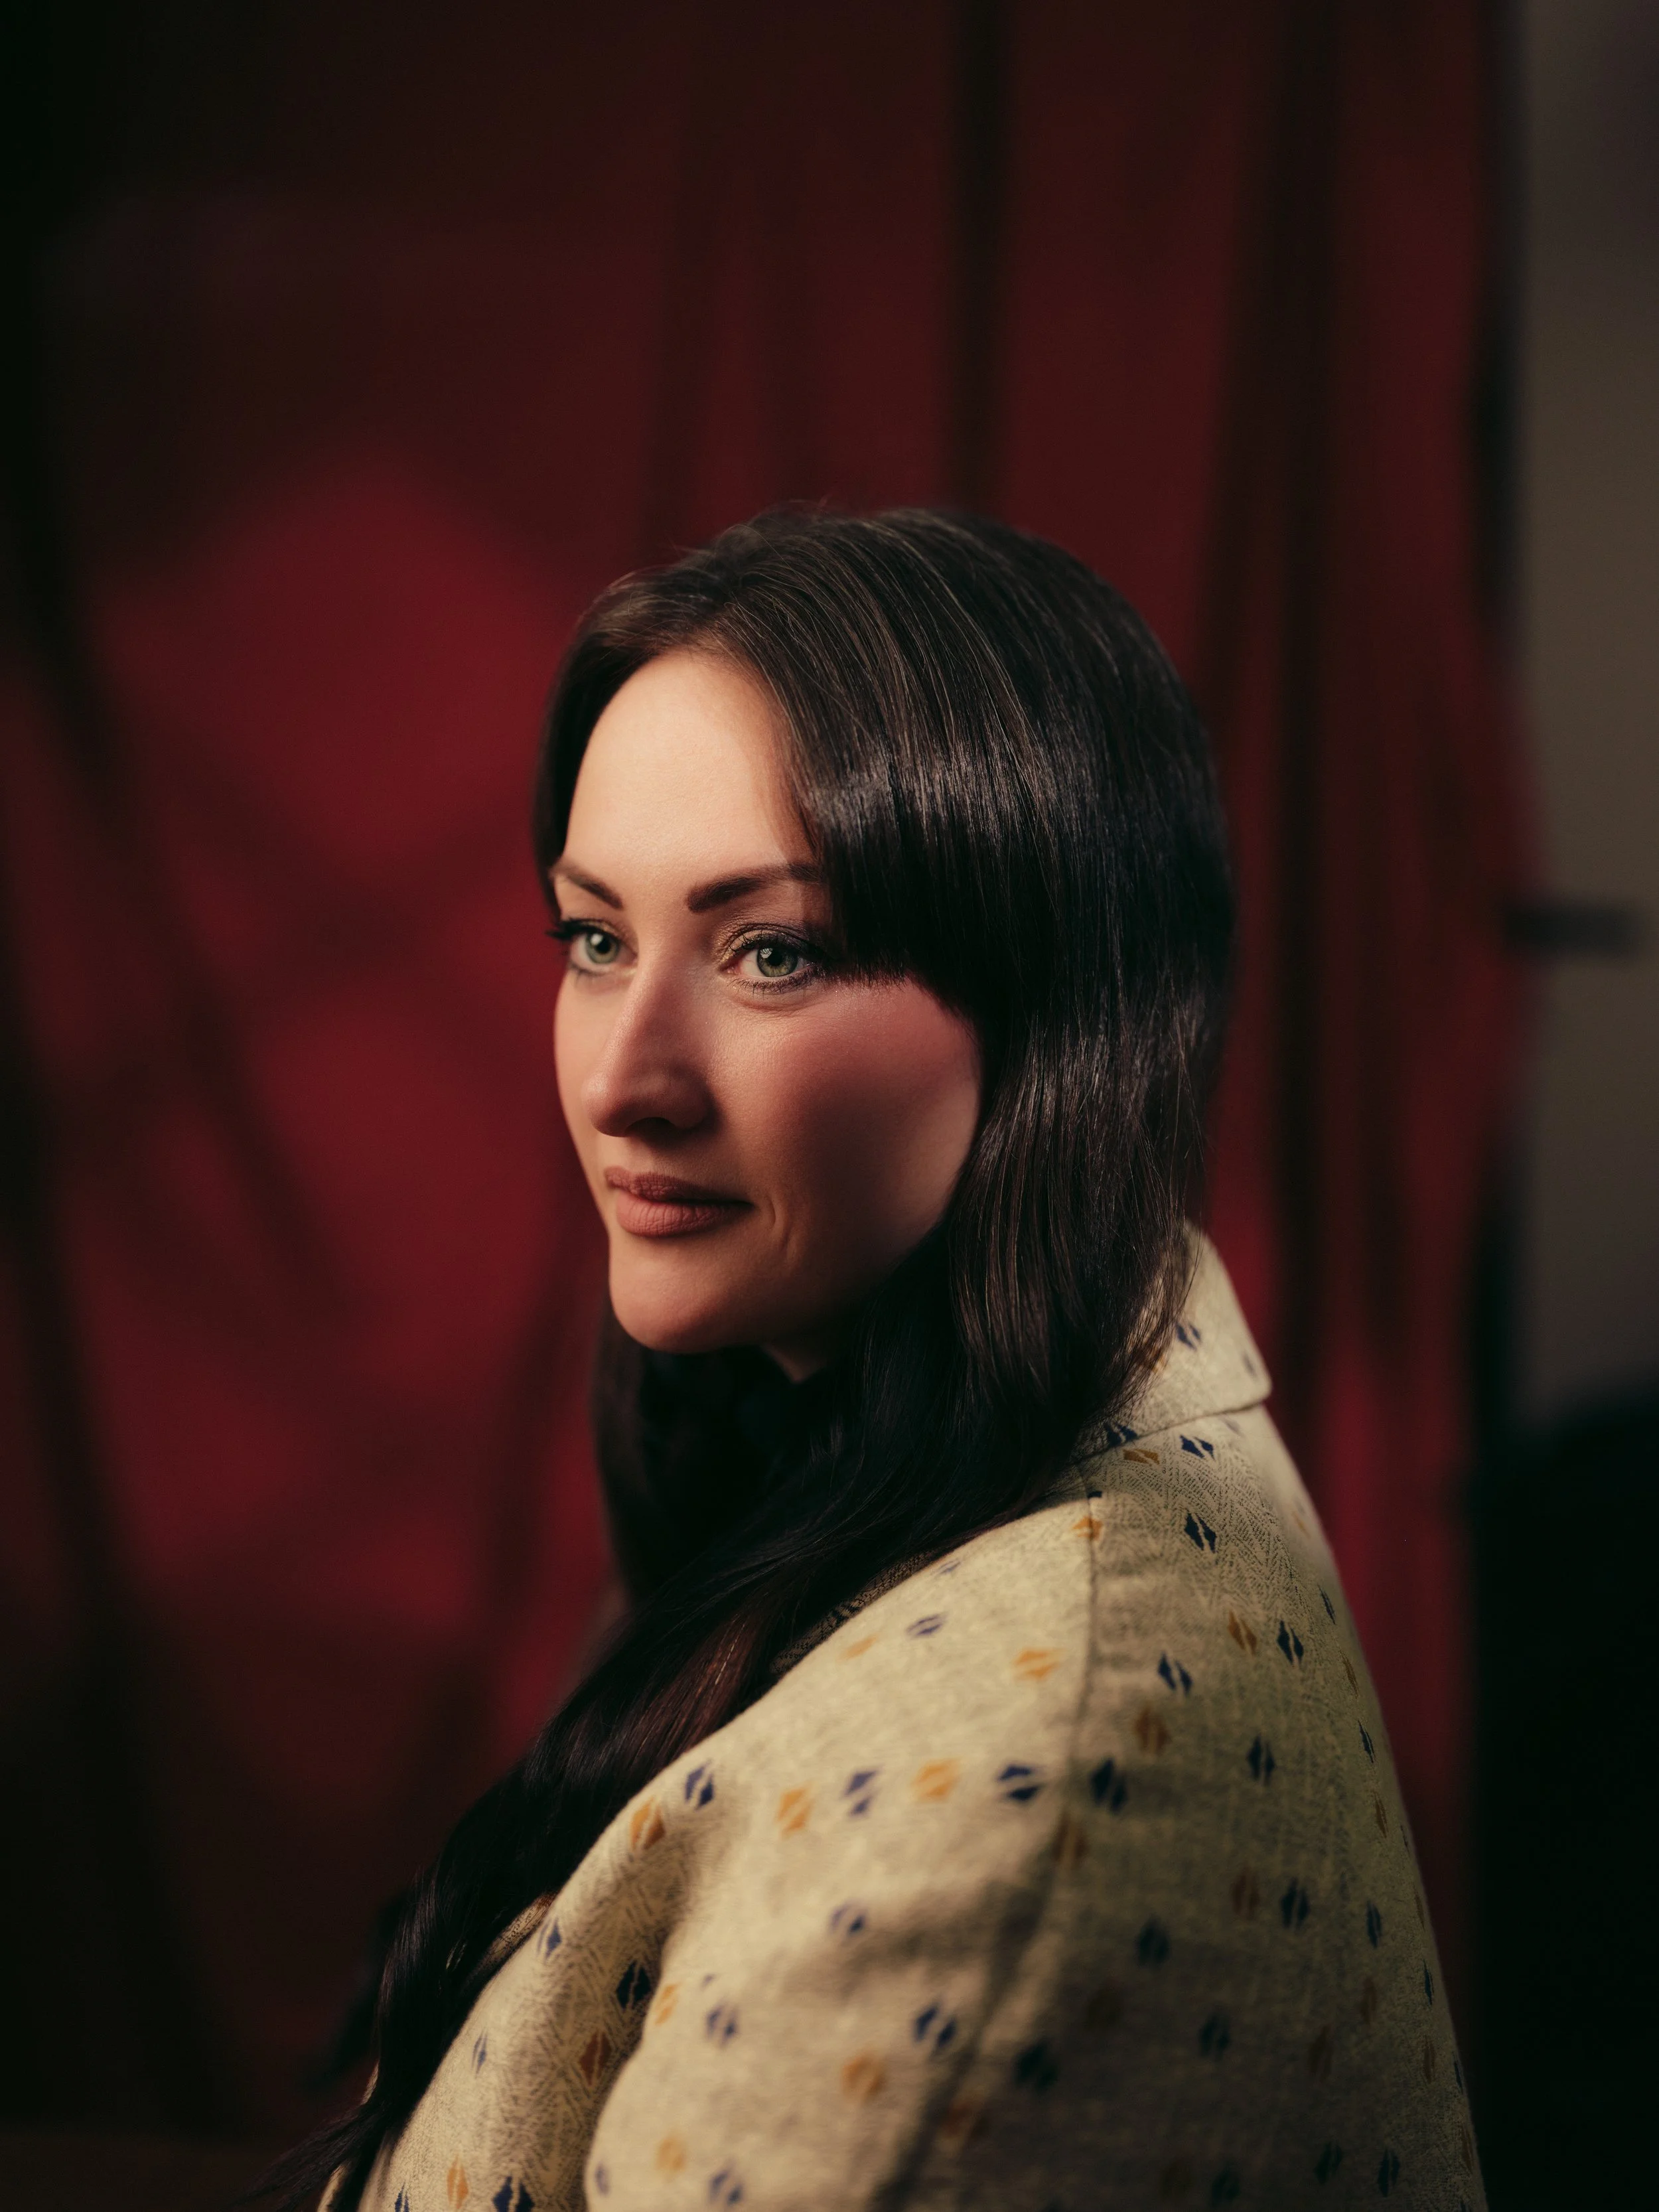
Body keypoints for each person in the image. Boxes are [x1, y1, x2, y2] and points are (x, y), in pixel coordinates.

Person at [280, 508, 1483, 2210]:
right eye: (593, 937)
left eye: (771, 950)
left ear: (1056, 1003)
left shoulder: (1030, 1793)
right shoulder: (859, 1441)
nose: (627, 1076)